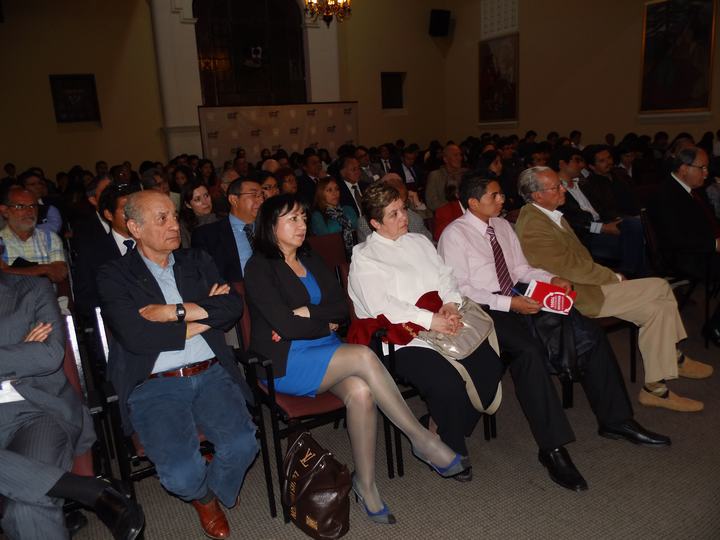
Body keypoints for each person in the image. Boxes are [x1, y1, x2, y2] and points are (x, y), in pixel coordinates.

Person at [438, 175, 670, 491]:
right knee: (528, 352)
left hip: (517, 295)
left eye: (501, 194)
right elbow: (461, 290)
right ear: (473, 202)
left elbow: (520, 270)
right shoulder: (455, 235)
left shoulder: (502, 226)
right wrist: (510, 304)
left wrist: (551, 279)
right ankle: (552, 448)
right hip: (484, 309)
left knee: (588, 331)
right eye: (495, 196)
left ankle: (616, 420)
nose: (503, 199)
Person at [244, 194, 466, 525]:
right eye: (292, 219)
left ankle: (366, 485)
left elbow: (340, 308)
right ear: (270, 226)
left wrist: (308, 314)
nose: (302, 225)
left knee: (362, 393)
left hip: (327, 350)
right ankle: (420, 439)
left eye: (303, 218)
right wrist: (320, 323)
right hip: (285, 360)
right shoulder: (259, 267)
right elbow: (286, 326)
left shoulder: (310, 257)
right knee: (363, 355)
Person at [97, 190, 257, 539]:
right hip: (154, 383)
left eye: (173, 216)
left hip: (210, 371)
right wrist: (205, 316)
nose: (174, 225)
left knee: (244, 445)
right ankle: (204, 497)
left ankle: (209, 486)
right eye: (162, 218)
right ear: (135, 228)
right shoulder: (114, 274)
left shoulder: (196, 259)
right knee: (182, 476)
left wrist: (174, 312)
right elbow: (137, 337)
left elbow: (232, 307)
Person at [515, 167, 712, 412]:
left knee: (657, 310)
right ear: (537, 195)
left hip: (587, 286)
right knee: (660, 286)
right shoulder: (533, 225)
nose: (563, 189)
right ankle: (673, 356)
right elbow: (568, 268)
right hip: (577, 297)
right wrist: (613, 277)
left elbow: (577, 263)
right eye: (556, 187)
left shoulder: (547, 213)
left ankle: (655, 389)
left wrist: (607, 276)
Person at [348, 182, 504, 483]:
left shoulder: (418, 241)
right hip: (397, 337)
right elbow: (382, 305)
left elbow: (445, 275)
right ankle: (450, 448)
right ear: (375, 223)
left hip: (439, 319)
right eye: (393, 214)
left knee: (491, 364)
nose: (403, 217)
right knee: (446, 382)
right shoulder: (365, 257)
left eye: (403, 209)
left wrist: (450, 303)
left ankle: (440, 423)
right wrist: (430, 319)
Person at [0, 272, 144, 540]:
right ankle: (84, 490)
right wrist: (19, 353)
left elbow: (48, 356)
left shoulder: (32, 288)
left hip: (33, 412)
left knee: (25, 512)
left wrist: (23, 356)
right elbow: (31, 357)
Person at [646, 147, 720, 343]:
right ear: (684, 168)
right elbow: (675, 240)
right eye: (702, 168)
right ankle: (716, 327)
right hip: (683, 257)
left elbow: (709, 222)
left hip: (701, 247)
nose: (706, 173)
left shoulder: (693, 189)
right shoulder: (665, 194)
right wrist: (714, 244)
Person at [551, 146, 646, 276]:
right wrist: (602, 228)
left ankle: (635, 273)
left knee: (637, 224)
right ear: (562, 164)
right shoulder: (554, 191)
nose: (582, 165)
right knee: (634, 232)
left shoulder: (583, 184)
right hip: (586, 234)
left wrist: (617, 219)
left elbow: (602, 209)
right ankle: (631, 273)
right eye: (577, 161)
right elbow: (570, 222)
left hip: (602, 223)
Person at [192, 177, 263, 282]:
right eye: (254, 195)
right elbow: (205, 276)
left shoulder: (271, 228)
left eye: (261, 195)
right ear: (234, 200)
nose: (261, 200)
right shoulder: (207, 235)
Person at [0, 186, 68, 284]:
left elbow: (59, 273)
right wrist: (44, 269)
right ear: (4, 211)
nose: (29, 211)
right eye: (20, 206)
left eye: (33, 206)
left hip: (46, 294)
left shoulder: (50, 238)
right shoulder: (1, 240)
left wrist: (8, 271)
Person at [356, 174, 432, 243]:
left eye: (403, 207)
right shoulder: (365, 224)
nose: (404, 217)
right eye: (394, 213)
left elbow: (430, 244)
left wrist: (417, 203)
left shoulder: (415, 219)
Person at [310, 177, 358, 258]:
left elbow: (358, 233)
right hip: (334, 256)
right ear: (321, 193)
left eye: (337, 189)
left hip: (357, 252)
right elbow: (326, 241)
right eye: (329, 190)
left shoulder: (348, 209)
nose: (334, 193)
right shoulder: (317, 216)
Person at [424, 144, 468, 211]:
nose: (460, 158)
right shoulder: (435, 176)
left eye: (460, 155)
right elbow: (432, 203)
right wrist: (456, 207)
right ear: (445, 159)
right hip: (446, 214)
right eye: (455, 155)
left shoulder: (465, 174)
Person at [179, 180, 217, 248]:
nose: (205, 202)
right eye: (197, 199)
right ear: (188, 205)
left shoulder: (221, 217)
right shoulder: (184, 225)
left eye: (206, 195)